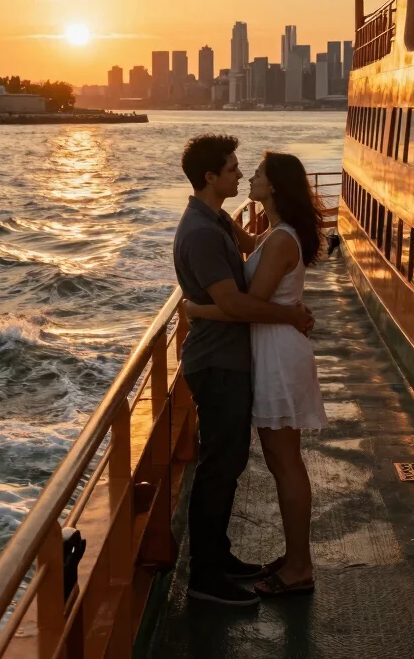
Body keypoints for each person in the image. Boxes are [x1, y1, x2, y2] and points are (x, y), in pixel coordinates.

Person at [174, 135, 314, 607]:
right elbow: (240, 293)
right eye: (235, 169)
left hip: (261, 354)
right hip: (231, 359)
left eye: (250, 172)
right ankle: (210, 571)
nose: (244, 175)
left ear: (274, 190)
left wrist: (197, 309)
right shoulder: (206, 229)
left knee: (256, 464)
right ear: (211, 178)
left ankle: (271, 564)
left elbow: (243, 295)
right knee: (228, 467)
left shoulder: (230, 228)